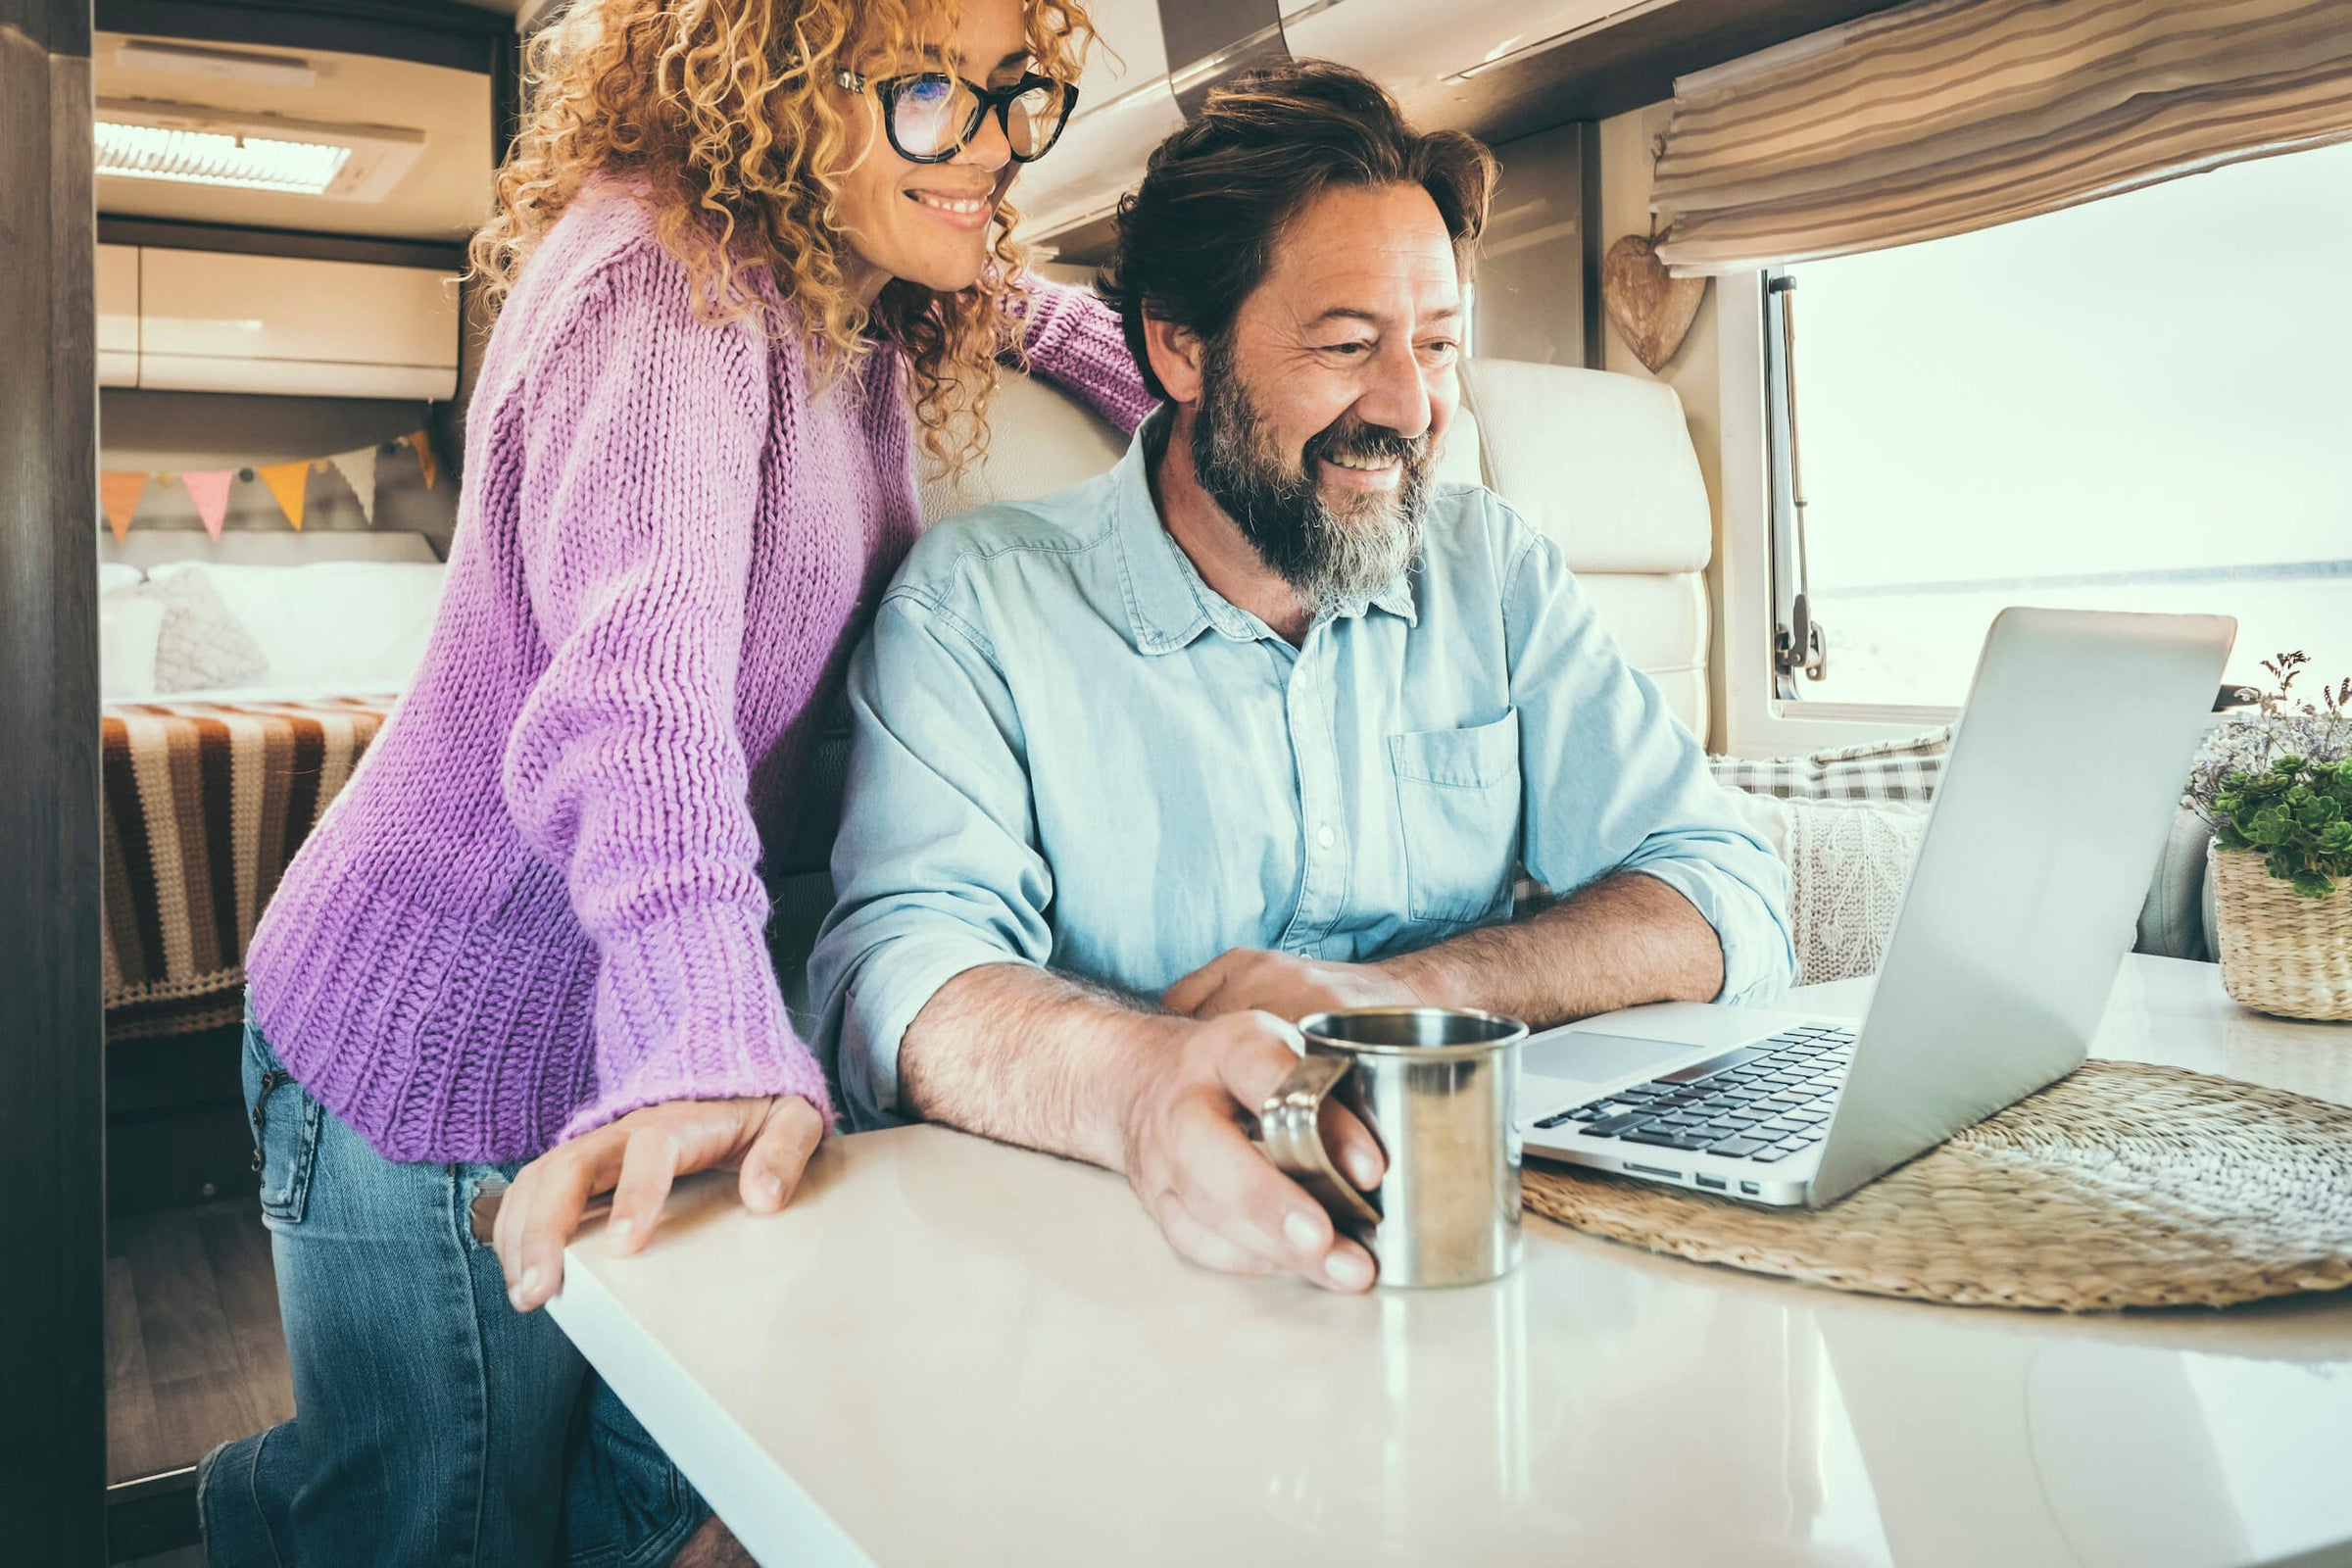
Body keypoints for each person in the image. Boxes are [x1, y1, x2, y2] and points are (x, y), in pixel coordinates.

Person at [199, 0, 1150, 1561]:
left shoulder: (855, 289)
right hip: (453, 1040)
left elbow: (1148, 362)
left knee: (632, 1522)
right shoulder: (670, 287)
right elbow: (635, 706)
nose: (984, 144)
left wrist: (1117, 337)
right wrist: (715, 1036)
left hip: (640, 1014)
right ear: (777, 80)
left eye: (1015, 93)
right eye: (929, 88)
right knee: (437, 1532)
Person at [810, 62, 1793, 1297]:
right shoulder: (979, 606)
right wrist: (1139, 1084)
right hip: (1112, 1281)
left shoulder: (1490, 570)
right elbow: (897, 978)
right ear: (1178, 344)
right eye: (1346, 346)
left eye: (1438, 346)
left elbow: (1728, 888)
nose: (1410, 406)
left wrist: (1401, 993)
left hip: (1480, 1254)